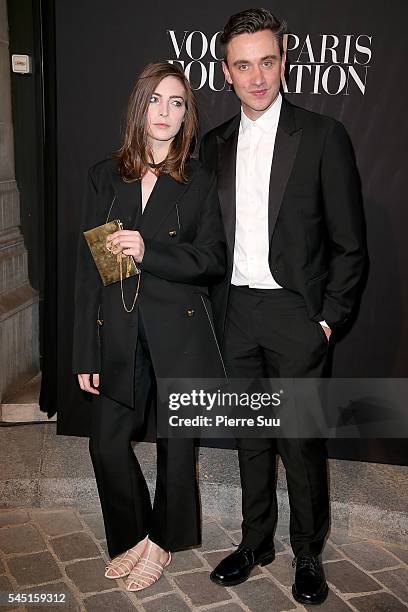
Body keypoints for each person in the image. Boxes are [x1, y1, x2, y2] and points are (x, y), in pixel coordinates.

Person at [200, 8, 365, 605]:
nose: (257, 76)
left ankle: (307, 551)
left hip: (297, 316)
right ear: (226, 72)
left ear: (283, 58)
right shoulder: (212, 145)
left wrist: (327, 320)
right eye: (243, 65)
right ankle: (255, 542)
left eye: (267, 61)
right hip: (236, 313)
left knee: (299, 441)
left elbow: (350, 244)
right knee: (250, 437)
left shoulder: (323, 135)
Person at [72, 61, 227, 592]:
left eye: (177, 103)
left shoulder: (200, 180)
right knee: (106, 445)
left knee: (176, 446)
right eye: (156, 100)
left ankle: (162, 542)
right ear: (139, 107)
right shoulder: (104, 175)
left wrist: (150, 250)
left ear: (187, 115)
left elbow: (211, 261)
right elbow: (87, 271)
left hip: (178, 334)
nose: (165, 112)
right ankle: (133, 534)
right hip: (117, 331)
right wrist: (84, 354)